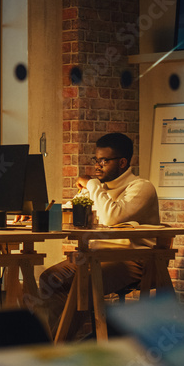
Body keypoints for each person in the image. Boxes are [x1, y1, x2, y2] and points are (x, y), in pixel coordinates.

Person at [34, 132, 160, 340]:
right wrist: (38, 214)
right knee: (50, 278)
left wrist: (92, 184)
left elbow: (112, 216)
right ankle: (59, 345)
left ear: (122, 162)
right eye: (96, 159)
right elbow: (71, 211)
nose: (98, 165)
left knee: (81, 282)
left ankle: (58, 348)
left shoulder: (140, 187)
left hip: (134, 259)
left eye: (104, 160)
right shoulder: (97, 189)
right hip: (94, 257)